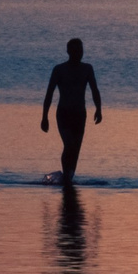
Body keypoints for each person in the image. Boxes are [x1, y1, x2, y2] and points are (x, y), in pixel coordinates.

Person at [39, 38, 101, 185]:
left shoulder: (87, 68)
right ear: (68, 52)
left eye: (80, 50)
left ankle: (69, 176)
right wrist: (44, 117)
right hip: (64, 113)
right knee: (69, 145)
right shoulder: (59, 69)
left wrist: (99, 109)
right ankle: (66, 175)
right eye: (75, 50)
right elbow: (49, 94)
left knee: (76, 149)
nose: (78, 53)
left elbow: (94, 90)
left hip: (80, 114)